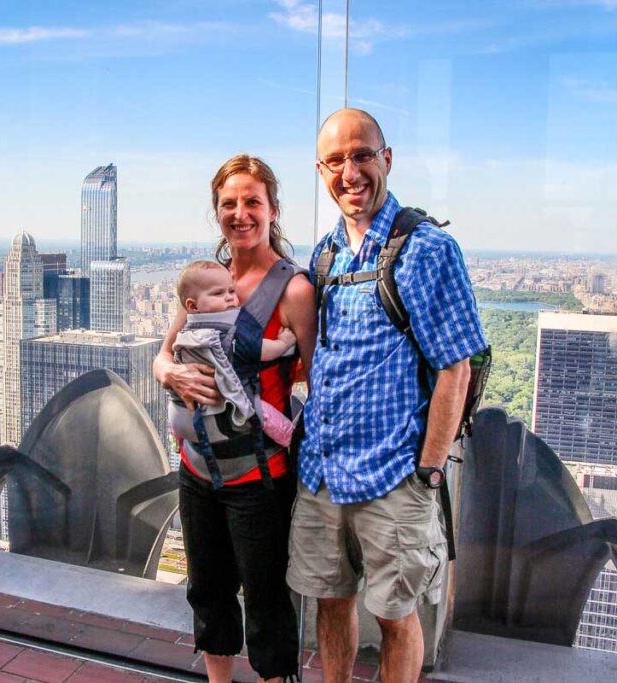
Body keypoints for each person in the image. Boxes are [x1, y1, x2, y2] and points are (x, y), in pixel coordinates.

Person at [286, 109, 487, 683]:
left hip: (393, 475)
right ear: (321, 171)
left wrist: (427, 473)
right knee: (331, 602)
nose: (350, 172)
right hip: (324, 473)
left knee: (396, 617)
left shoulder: (427, 250)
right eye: (335, 161)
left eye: (362, 155)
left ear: (386, 158)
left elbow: (456, 368)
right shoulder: (325, 254)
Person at [154, 154, 316, 683]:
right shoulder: (206, 279)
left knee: (266, 598)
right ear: (216, 211)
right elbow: (164, 353)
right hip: (197, 469)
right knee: (208, 588)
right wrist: (169, 375)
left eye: (252, 202)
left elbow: (315, 381)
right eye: (229, 203)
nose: (240, 213)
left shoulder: (294, 290)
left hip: (259, 479)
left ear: (272, 209)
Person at [168, 260, 298, 458]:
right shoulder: (229, 332)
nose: (229, 298)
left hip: (183, 417)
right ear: (192, 306)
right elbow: (263, 350)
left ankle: (174, 436)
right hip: (225, 413)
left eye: (231, 291)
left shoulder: (188, 328)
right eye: (218, 294)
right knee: (263, 412)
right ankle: (290, 438)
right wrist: (283, 343)